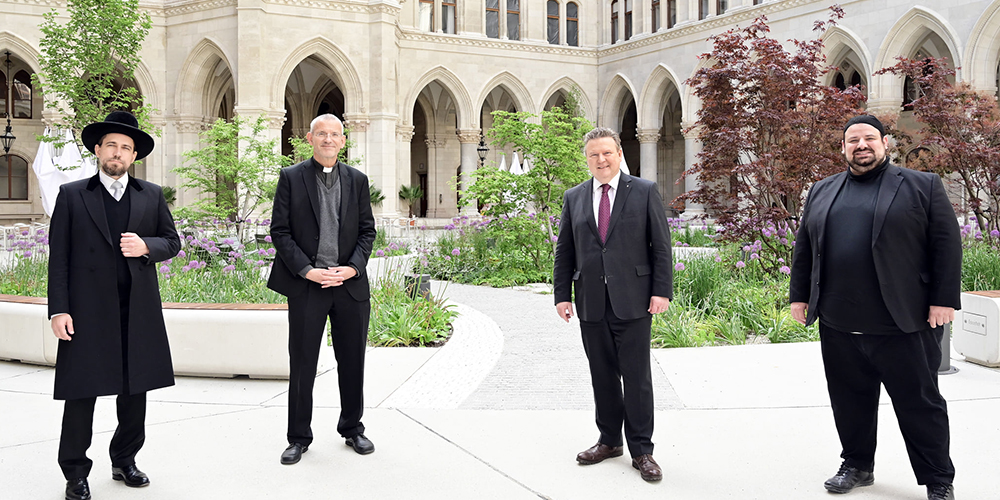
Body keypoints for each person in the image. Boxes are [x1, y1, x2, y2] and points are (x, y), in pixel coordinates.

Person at [790, 115, 961, 500]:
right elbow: (805, 247)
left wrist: (944, 300)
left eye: (869, 138)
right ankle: (857, 465)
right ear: (843, 147)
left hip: (904, 321)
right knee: (849, 401)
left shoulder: (922, 185)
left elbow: (946, 245)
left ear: (885, 143)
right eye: (853, 140)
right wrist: (800, 296)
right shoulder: (822, 190)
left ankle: (938, 479)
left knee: (920, 405)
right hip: (839, 322)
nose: (861, 145)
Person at [48, 111, 180, 500]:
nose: (117, 153)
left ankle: (124, 460)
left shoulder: (151, 194)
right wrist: (59, 309)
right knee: (80, 393)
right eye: (111, 145)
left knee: (135, 391)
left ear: (134, 155)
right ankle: (75, 473)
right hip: (86, 313)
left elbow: (172, 242)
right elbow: (59, 258)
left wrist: (146, 246)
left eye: (125, 147)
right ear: (98, 150)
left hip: (137, 311)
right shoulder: (72, 194)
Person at [553, 126, 673, 482]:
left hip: (634, 301)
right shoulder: (574, 197)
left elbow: (661, 246)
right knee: (602, 375)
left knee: (637, 379)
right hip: (591, 301)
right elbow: (565, 249)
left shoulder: (644, 191)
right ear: (586, 159)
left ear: (619, 154)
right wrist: (561, 295)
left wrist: (661, 291)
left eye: (607, 152)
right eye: (594, 154)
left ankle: (642, 450)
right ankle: (609, 441)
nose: (601, 159)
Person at [268, 113, 377, 465]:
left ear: (343, 141)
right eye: (321, 134)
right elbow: (280, 231)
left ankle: (352, 428)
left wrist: (353, 267)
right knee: (302, 363)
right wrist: (307, 271)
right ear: (310, 138)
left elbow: (367, 231)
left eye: (334, 134)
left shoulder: (357, 180)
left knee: (352, 361)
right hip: (307, 286)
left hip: (349, 286)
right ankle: (298, 437)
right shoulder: (290, 177)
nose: (328, 139)